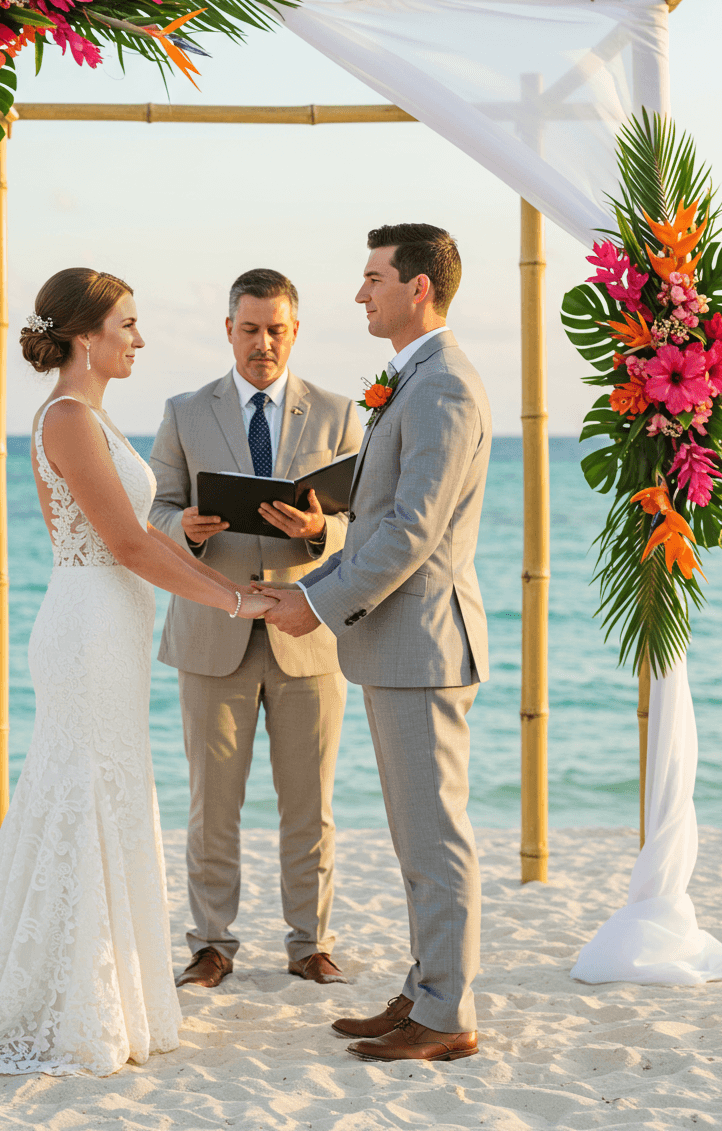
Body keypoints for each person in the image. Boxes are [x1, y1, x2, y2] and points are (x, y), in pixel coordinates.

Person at [0, 267, 274, 1076]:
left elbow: (141, 541)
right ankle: (70, 995)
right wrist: (237, 602)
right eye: (128, 325)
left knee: (105, 791)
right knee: (84, 793)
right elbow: (130, 545)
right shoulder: (69, 418)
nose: (139, 338)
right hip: (89, 629)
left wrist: (219, 584)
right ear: (85, 335)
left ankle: (101, 985)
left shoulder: (92, 417)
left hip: (112, 625)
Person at [262, 225, 491, 1064]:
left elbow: (411, 533)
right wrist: (325, 516)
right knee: (415, 836)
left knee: (435, 838)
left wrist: (313, 603)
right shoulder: (415, 380)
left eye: (373, 278)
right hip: (399, 645)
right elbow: (385, 502)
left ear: (419, 288)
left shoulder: (443, 388)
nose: (360, 294)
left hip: (424, 643)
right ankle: (427, 988)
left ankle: (448, 1014)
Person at [149, 268, 363, 988]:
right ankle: (211, 945)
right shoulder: (184, 413)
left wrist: (318, 531)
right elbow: (152, 512)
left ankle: (311, 944)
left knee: (312, 805)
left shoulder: (339, 413)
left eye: (275, 329)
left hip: (309, 634)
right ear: (229, 330)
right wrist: (184, 528)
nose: (262, 342)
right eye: (249, 329)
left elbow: (364, 525)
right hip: (213, 631)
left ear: (294, 330)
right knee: (214, 805)